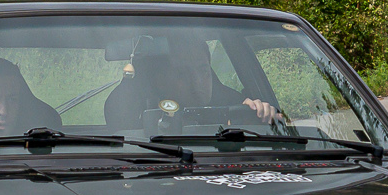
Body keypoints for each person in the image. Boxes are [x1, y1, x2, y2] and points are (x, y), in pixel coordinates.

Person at [103, 33, 280, 133]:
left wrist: (261, 115)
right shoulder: (135, 119)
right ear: (160, 80)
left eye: (203, 70)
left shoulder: (233, 106)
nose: (198, 83)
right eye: (182, 74)